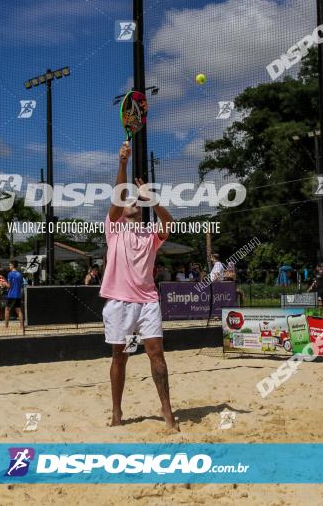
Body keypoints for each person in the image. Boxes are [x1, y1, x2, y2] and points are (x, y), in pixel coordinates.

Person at [100, 141, 179, 431]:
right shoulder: (114, 228)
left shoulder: (150, 235)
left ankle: (167, 412)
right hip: (119, 301)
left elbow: (169, 222)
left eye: (136, 202)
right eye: (129, 201)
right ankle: (117, 412)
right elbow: (119, 198)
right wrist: (122, 162)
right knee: (119, 357)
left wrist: (152, 198)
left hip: (147, 301)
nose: (131, 202)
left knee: (156, 353)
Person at [4, 260, 24, 329]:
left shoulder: (10, 274)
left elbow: (9, 286)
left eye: (10, 265)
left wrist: (4, 284)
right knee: (19, 310)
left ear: (13, 265)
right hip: (18, 295)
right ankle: (21, 326)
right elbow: (20, 285)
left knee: (7, 310)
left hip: (11, 295)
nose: (9, 266)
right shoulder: (20, 274)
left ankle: (6, 326)